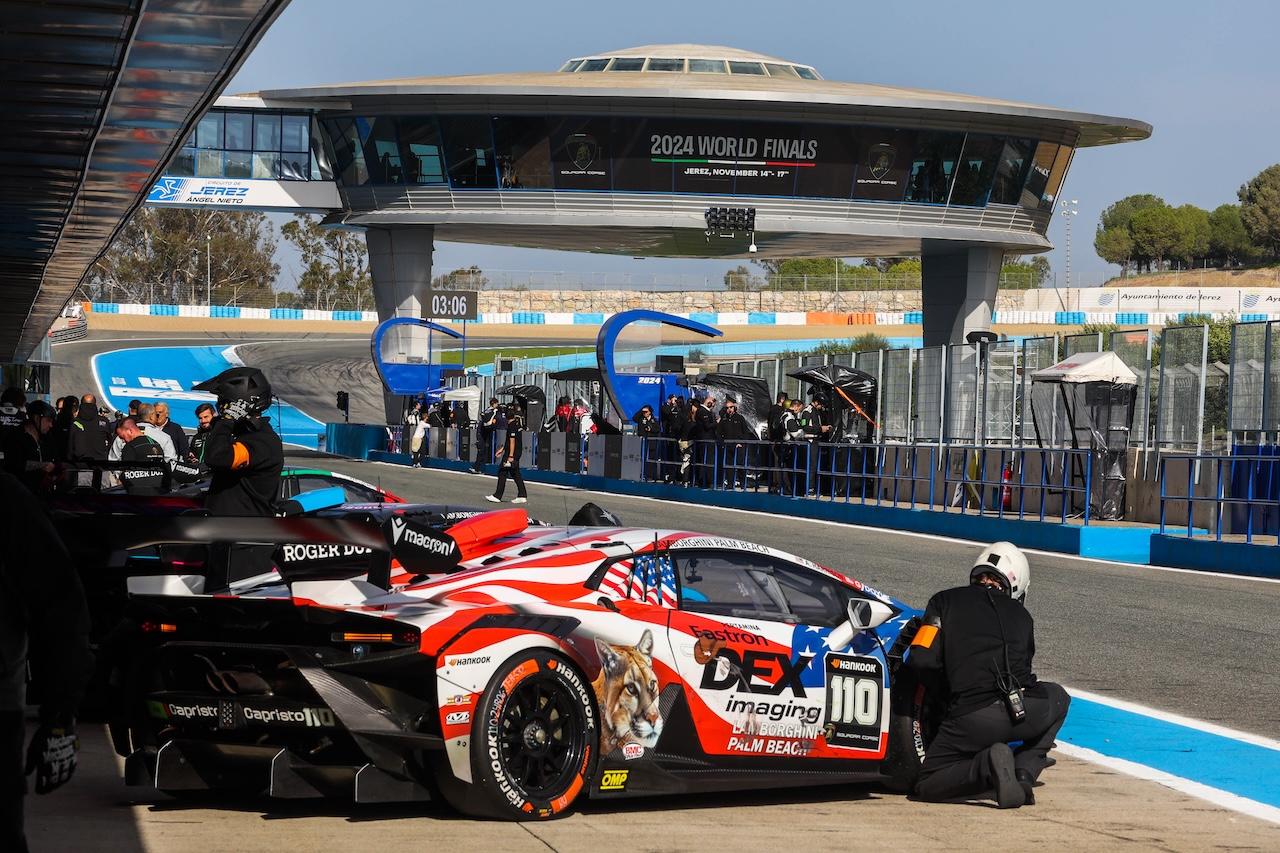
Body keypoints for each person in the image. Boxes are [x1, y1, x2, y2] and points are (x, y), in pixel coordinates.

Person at [907, 542, 1069, 809]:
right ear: (1017, 586)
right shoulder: (1023, 616)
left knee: (927, 782)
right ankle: (1024, 774)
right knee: (1059, 698)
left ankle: (987, 766)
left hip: (972, 715)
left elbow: (921, 658)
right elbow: (1024, 670)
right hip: (1025, 710)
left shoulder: (943, 601)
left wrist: (945, 695)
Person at [1, 471, 94, 853]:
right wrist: (61, 714)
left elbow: (60, 608)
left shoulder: (9, 499)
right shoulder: (9, 498)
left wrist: (60, 714)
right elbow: (61, 608)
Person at [194, 367, 283, 517]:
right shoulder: (243, 435)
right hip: (224, 528)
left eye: (222, 402)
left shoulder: (262, 440)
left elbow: (217, 457)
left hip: (245, 532)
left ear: (237, 404)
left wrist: (227, 421)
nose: (220, 408)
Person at [1, 401, 56, 494]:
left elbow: (55, 458)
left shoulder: (47, 438)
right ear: (37, 418)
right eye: (48, 420)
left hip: (42, 494)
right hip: (20, 493)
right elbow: (14, 463)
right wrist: (41, 465)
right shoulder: (15, 437)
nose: (51, 425)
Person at [486, 403, 528, 504]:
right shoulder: (516, 424)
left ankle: (497, 495)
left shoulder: (511, 426)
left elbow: (512, 442)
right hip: (515, 452)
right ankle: (522, 495)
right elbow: (509, 441)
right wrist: (502, 449)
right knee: (515, 473)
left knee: (502, 472)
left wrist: (510, 456)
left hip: (511, 453)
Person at [114, 418, 166, 495]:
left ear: (130, 431)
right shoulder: (156, 444)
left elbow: (126, 474)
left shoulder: (130, 447)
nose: (123, 440)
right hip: (159, 492)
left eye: (122, 437)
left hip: (139, 494)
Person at [109, 403, 175, 462]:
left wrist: (122, 474)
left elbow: (113, 460)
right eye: (156, 415)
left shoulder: (123, 435)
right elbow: (171, 462)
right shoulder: (164, 437)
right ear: (151, 416)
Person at [715, 398, 753, 489]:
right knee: (729, 466)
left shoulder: (740, 418)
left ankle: (743, 483)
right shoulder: (724, 420)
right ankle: (730, 484)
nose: (729, 409)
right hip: (728, 447)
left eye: (731, 407)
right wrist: (723, 443)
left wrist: (741, 443)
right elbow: (718, 433)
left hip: (739, 446)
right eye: (727, 408)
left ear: (734, 407)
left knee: (741, 465)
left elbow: (746, 432)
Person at [66, 395, 110, 463]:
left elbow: (69, 445)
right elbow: (110, 442)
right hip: (100, 464)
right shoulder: (104, 422)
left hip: (79, 463)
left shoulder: (74, 423)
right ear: (95, 404)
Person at [780, 399, 808, 496]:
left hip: (790, 447)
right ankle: (793, 490)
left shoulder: (787, 415)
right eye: (799, 408)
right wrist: (807, 434)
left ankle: (794, 490)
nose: (799, 411)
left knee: (793, 470)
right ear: (795, 406)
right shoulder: (789, 417)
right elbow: (795, 433)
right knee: (792, 471)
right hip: (790, 447)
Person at [660, 393, 686, 484]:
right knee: (670, 456)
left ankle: (678, 476)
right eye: (674, 400)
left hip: (678, 436)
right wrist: (672, 406)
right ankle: (670, 476)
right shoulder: (665, 407)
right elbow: (668, 414)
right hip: (669, 436)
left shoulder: (680, 410)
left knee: (679, 457)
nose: (676, 402)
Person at [474, 397, 505, 474]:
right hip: (487, 433)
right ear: (494, 404)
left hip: (483, 433)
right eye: (496, 404)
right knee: (484, 451)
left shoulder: (486, 411)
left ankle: (479, 467)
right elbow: (488, 423)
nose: (497, 405)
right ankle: (481, 468)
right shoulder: (493, 412)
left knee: (483, 451)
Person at [633, 405, 661, 481]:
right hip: (643, 441)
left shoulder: (654, 420)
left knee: (652, 459)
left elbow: (658, 429)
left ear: (650, 412)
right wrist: (641, 410)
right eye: (643, 412)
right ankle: (642, 474)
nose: (644, 413)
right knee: (643, 458)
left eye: (646, 412)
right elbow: (634, 418)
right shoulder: (641, 418)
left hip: (651, 442)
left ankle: (651, 476)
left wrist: (650, 429)